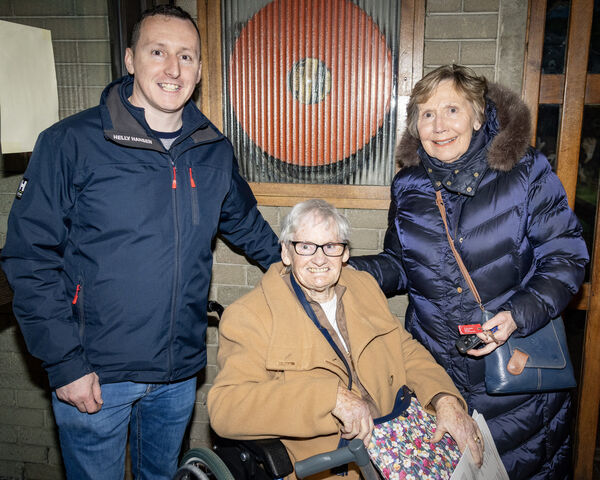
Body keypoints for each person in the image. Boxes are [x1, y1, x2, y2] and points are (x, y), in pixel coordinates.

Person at [0, 5, 280, 480]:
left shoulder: (212, 148)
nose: (173, 69)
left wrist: (304, 270)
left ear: (198, 68)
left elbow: (246, 225)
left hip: (178, 373)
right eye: (158, 52)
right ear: (130, 60)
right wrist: (65, 363)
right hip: (96, 374)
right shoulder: (71, 142)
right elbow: (28, 258)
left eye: (186, 56)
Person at [349, 64, 589, 479]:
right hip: (438, 376)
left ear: (479, 116)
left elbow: (566, 257)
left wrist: (516, 314)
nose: (438, 126)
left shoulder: (526, 172)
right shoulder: (408, 187)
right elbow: (400, 265)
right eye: (426, 114)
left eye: (452, 110)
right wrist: (340, 268)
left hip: (514, 381)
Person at [208, 199, 484, 480]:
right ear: (286, 253)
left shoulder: (363, 286)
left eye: (331, 247)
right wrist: (329, 398)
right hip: (330, 466)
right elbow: (226, 408)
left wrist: (444, 398)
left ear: (345, 254)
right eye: (305, 246)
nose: (319, 259)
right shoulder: (249, 316)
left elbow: (403, 348)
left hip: (398, 445)